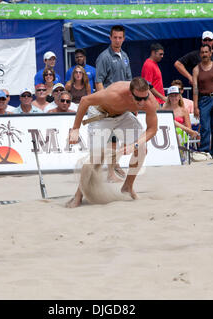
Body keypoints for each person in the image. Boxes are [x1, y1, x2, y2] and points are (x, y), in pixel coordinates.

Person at [66, 77, 158, 208]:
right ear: (130, 94)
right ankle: (79, 194)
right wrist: (75, 129)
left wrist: (134, 145)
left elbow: (152, 129)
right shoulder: (113, 94)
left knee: (142, 149)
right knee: (96, 159)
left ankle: (127, 186)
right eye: (138, 99)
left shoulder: (150, 102)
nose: (142, 102)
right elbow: (84, 100)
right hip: (100, 114)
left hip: (123, 115)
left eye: (145, 97)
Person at [95, 25, 132, 182]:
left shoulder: (124, 56)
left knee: (118, 138)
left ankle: (114, 165)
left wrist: (132, 103)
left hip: (123, 104)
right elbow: (98, 82)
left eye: (120, 37)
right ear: (110, 38)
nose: (117, 40)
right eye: (115, 37)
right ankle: (110, 172)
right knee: (110, 139)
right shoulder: (104, 57)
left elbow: (129, 82)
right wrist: (106, 102)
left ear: (123, 39)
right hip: (109, 104)